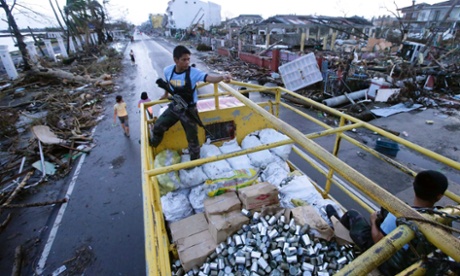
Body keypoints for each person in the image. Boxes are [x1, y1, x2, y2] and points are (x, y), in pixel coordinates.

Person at [326, 170, 449, 275]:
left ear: (414, 186)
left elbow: (378, 241)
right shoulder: (443, 220)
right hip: (413, 264)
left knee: (352, 215)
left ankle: (335, 221)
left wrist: (373, 221)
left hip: (387, 265)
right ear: (439, 196)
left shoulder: (399, 214)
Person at [150, 45, 231, 160]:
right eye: (184, 60)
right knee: (158, 126)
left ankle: (194, 161)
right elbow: (167, 84)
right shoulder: (168, 70)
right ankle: (153, 145)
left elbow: (210, 78)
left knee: (192, 139)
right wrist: (165, 95)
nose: (187, 62)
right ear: (175, 60)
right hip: (176, 105)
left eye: (188, 59)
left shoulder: (193, 72)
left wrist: (222, 76)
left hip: (189, 109)